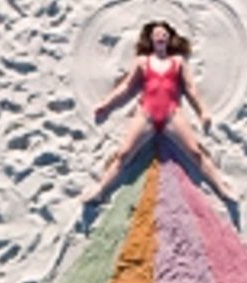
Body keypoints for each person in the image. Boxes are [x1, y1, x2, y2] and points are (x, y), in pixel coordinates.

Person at [79, 20, 236, 204]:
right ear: (151, 39)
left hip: (172, 115)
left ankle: (221, 188)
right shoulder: (143, 61)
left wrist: (202, 111)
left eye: (163, 34)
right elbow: (127, 87)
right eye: (156, 34)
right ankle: (100, 190)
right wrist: (106, 104)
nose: (160, 36)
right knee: (124, 153)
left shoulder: (177, 61)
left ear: (168, 38)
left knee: (195, 152)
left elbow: (190, 89)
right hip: (146, 114)